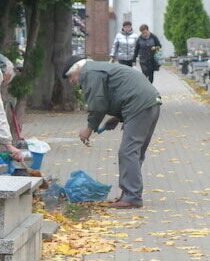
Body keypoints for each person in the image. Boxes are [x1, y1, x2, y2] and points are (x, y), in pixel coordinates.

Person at [63, 55, 161, 209]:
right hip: (150, 102)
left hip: (139, 105)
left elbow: (98, 104)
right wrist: (117, 117)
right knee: (135, 152)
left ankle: (131, 197)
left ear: (77, 69)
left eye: (70, 76)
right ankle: (130, 194)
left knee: (128, 152)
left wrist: (89, 128)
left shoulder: (89, 72)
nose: (71, 81)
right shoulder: (97, 68)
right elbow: (120, 90)